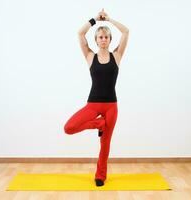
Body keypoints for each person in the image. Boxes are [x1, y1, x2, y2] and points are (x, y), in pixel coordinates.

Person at [64, 9, 129, 187]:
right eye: (100, 37)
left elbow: (126, 32)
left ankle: (100, 176)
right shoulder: (90, 56)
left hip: (111, 107)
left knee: (105, 144)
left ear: (110, 39)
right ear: (96, 40)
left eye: (106, 37)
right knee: (69, 127)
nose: (103, 39)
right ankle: (99, 124)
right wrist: (94, 20)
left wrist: (109, 20)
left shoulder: (116, 55)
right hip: (93, 105)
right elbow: (80, 32)